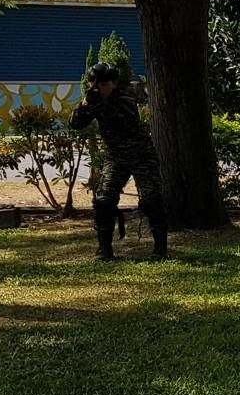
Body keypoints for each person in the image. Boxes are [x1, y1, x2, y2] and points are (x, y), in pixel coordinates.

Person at [70, 62, 167, 261]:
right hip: (116, 157)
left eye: (103, 84)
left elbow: (123, 118)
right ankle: (104, 250)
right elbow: (75, 124)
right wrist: (84, 106)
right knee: (104, 200)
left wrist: (100, 105)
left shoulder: (125, 99)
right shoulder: (93, 100)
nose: (99, 87)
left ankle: (160, 250)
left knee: (151, 200)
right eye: (94, 83)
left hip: (142, 155)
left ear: (113, 83)